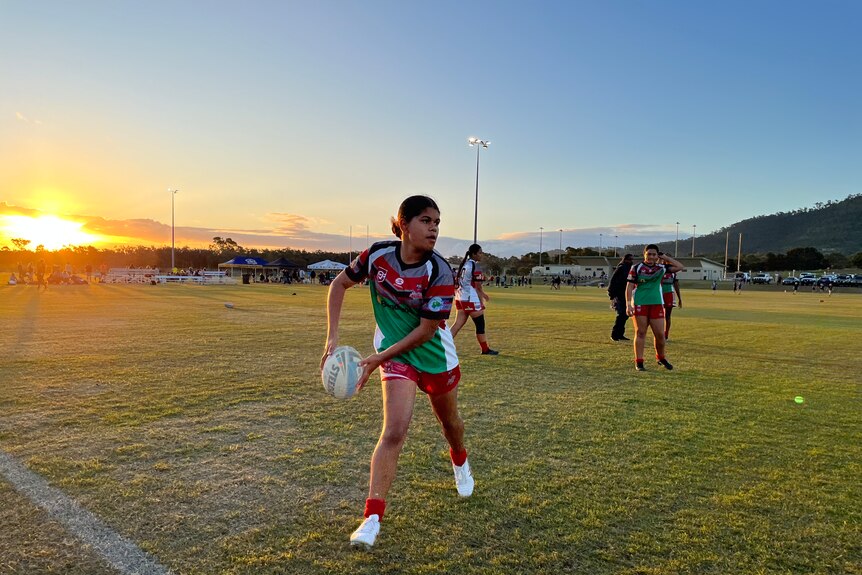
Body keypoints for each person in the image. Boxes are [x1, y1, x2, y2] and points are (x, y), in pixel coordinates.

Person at [322, 195, 474, 549]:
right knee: (393, 431)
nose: (434, 228)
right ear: (403, 225)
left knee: (450, 425)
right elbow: (339, 285)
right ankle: (372, 518)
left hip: (435, 356)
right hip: (395, 355)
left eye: (437, 222)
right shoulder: (377, 256)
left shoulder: (440, 271)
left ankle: (459, 460)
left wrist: (377, 358)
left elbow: (425, 331)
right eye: (426, 220)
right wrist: (332, 335)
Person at [625, 245, 685, 372]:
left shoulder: (662, 268)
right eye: (649, 254)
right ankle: (639, 362)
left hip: (657, 303)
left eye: (654, 254)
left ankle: (661, 357)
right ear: (644, 254)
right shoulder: (636, 268)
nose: (651, 256)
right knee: (640, 333)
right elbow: (629, 286)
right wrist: (628, 304)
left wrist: (665, 257)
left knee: (660, 335)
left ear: (657, 256)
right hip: (640, 303)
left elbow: (680, 267)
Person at [450, 244, 499, 355]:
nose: (481, 255)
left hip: (460, 297)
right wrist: (483, 296)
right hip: (469, 299)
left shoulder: (465, 264)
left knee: (457, 324)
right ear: (474, 254)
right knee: (480, 325)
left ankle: (443, 346)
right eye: (480, 253)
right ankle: (485, 349)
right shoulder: (474, 266)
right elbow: (477, 286)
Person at [607, 254, 634, 341]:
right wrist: (612, 295)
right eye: (629, 259)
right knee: (621, 314)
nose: (631, 261)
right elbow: (613, 281)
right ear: (625, 259)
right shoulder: (621, 268)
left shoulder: (628, 268)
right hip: (619, 294)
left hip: (625, 294)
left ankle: (620, 334)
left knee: (624, 315)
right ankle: (615, 334)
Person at [661, 269, 683, 341]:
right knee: (656, 315)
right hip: (659, 294)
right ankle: (659, 333)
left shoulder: (673, 273)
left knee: (667, 315)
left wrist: (679, 298)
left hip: (669, 294)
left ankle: (666, 334)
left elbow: (676, 285)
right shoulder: (659, 269)